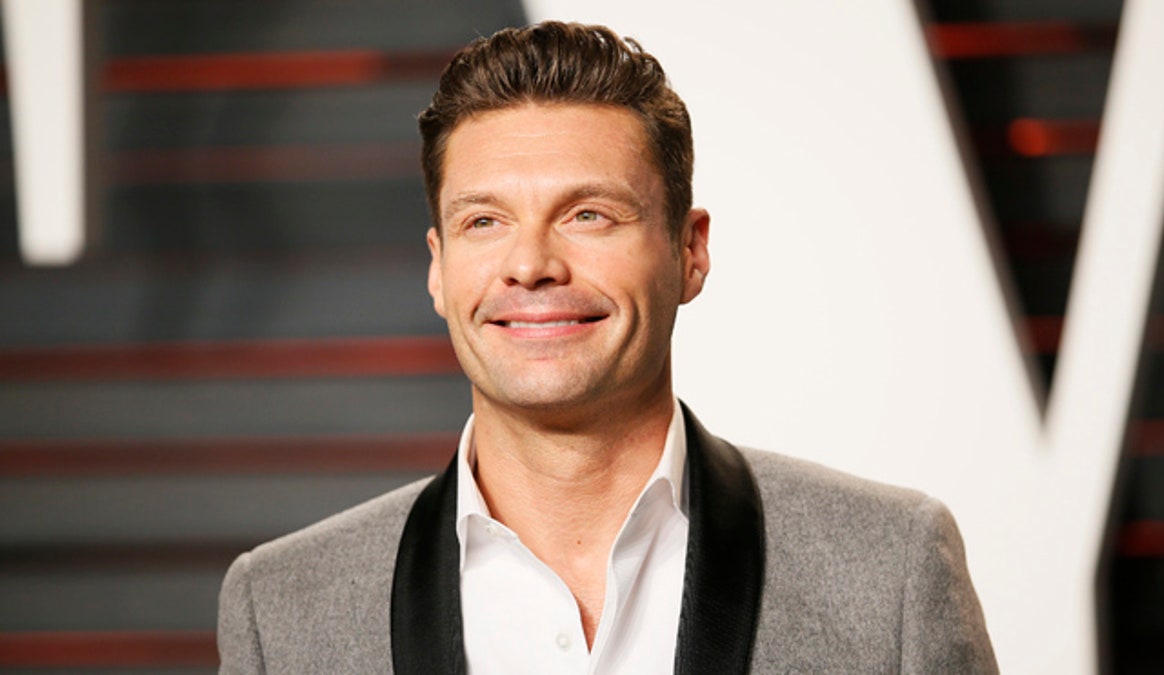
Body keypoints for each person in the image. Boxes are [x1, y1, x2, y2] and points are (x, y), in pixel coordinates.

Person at [217, 20, 998, 674]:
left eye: (588, 213)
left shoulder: (889, 569)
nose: (530, 264)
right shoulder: (282, 611)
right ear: (438, 267)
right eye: (483, 221)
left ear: (688, 252)